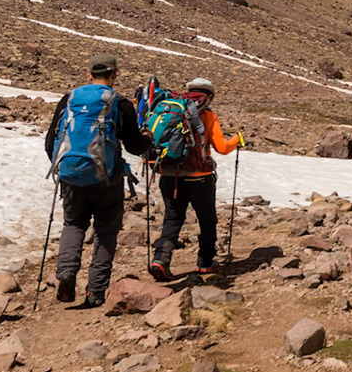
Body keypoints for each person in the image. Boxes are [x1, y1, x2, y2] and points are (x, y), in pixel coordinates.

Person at [45, 54, 149, 308]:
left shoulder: (69, 100)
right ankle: (96, 291)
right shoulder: (120, 103)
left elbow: (51, 142)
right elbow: (135, 146)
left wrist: (68, 168)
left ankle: (67, 272)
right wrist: (147, 139)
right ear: (114, 75)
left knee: (73, 224)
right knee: (105, 231)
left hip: (71, 177)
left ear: (88, 74)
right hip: (107, 180)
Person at [149, 77, 242, 280]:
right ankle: (206, 262)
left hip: (170, 175)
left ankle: (160, 260)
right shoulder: (207, 115)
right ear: (209, 96)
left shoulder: (173, 110)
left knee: (172, 219)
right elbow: (223, 148)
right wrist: (237, 139)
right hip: (200, 178)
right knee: (207, 219)